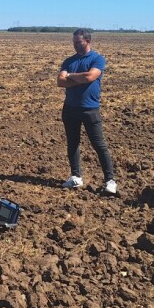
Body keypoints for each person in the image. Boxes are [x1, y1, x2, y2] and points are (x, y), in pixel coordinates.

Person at [56, 29, 117, 195]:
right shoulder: (68, 61)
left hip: (90, 109)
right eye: (74, 42)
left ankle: (110, 181)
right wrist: (81, 79)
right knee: (73, 143)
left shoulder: (97, 59)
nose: (75, 45)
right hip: (70, 109)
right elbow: (60, 82)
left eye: (78, 42)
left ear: (88, 41)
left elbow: (90, 77)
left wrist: (70, 76)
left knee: (99, 145)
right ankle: (76, 177)